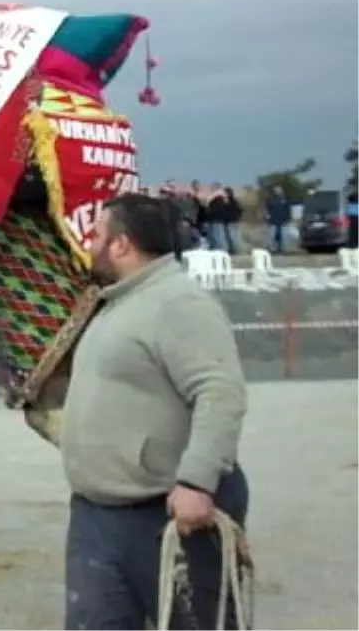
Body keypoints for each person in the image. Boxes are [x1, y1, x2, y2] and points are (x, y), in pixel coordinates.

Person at [62, 194, 249, 629]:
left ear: (122, 245)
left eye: (96, 236)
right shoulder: (117, 303)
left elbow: (220, 391)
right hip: (96, 516)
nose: (88, 246)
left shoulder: (178, 303)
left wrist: (196, 482)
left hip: (167, 516)